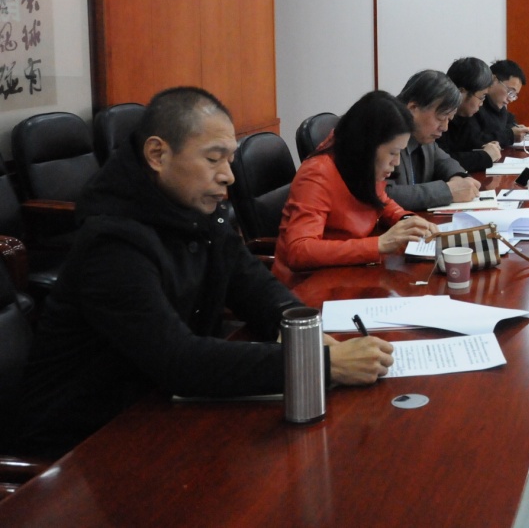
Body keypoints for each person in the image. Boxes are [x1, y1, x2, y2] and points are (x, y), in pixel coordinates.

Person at [12, 87, 395, 459]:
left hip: (161, 410)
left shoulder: (195, 210)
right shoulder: (111, 243)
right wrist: (321, 365)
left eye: (230, 160)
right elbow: (178, 360)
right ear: (158, 154)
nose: (229, 176)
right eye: (214, 159)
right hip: (83, 447)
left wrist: (300, 330)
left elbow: (253, 284)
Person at [276, 91, 436, 272]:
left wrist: (407, 220)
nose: (397, 162)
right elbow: (299, 251)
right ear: (368, 146)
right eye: (393, 152)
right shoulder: (317, 173)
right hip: (309, 279)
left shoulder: (359, 163)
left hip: (345, 270)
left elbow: (379, 199)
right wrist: (378, 245)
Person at [387, 69, 482, 211]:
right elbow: (385, 194)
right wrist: (447, 191)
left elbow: (444, 161)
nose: (445, 127)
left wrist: (458, 179)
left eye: (449, 119)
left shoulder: (424, 135)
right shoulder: (383, 133)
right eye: (441, 118)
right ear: (413, 108)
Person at [436, 57, 502, 172]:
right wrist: (485, 156)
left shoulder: (466, 116)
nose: (482, 104)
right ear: (461, 92)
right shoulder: (438, 118)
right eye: (482, 97)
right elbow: (441, 161)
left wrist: (485, 146)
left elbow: (470, 142)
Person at [474, 59, 528, 148]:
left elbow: (510, 121)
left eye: (514, 95)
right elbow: (474, 140)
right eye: (510, 92)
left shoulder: (498, 107)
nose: (511, 100)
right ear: (493, 80)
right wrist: (510, 135)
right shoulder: (475, 105)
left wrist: (516, 129)